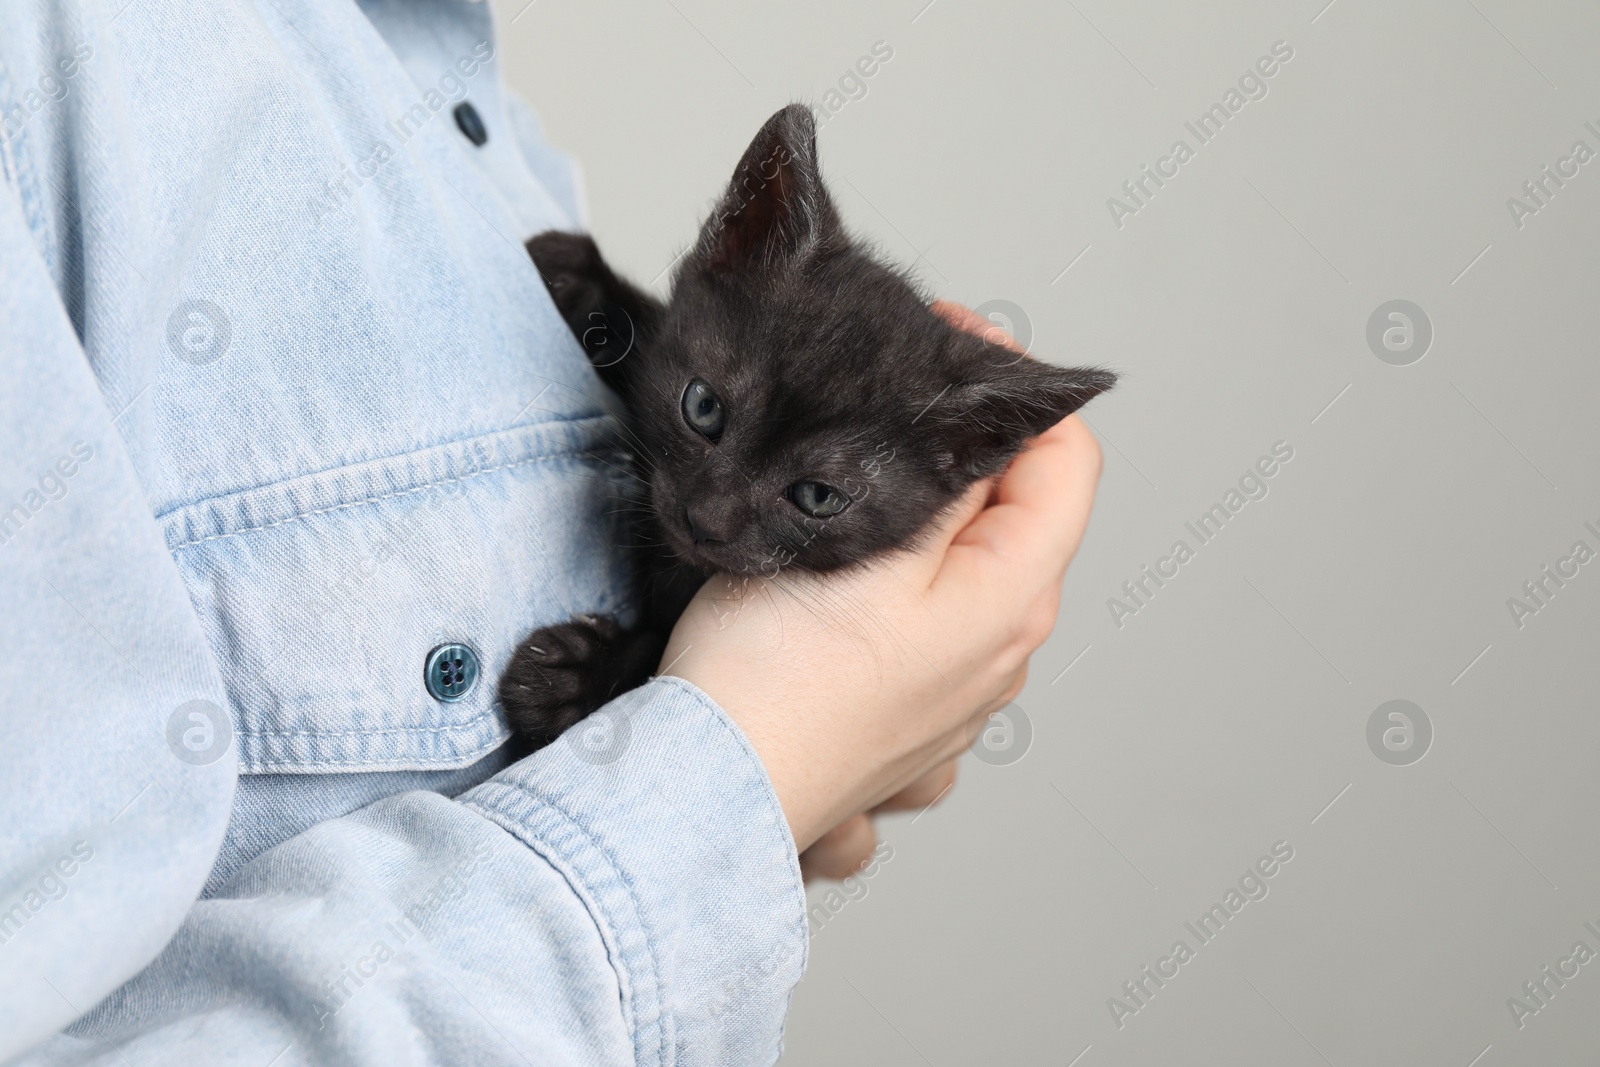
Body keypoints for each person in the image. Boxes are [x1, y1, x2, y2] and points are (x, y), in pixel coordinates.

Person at [0, 1, 1101, 1063]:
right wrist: (749, 764)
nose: (713, 512)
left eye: (810, 498)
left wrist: (788, 767)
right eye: (704, 417)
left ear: (960, 461)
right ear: (730, 245)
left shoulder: (453, 84)